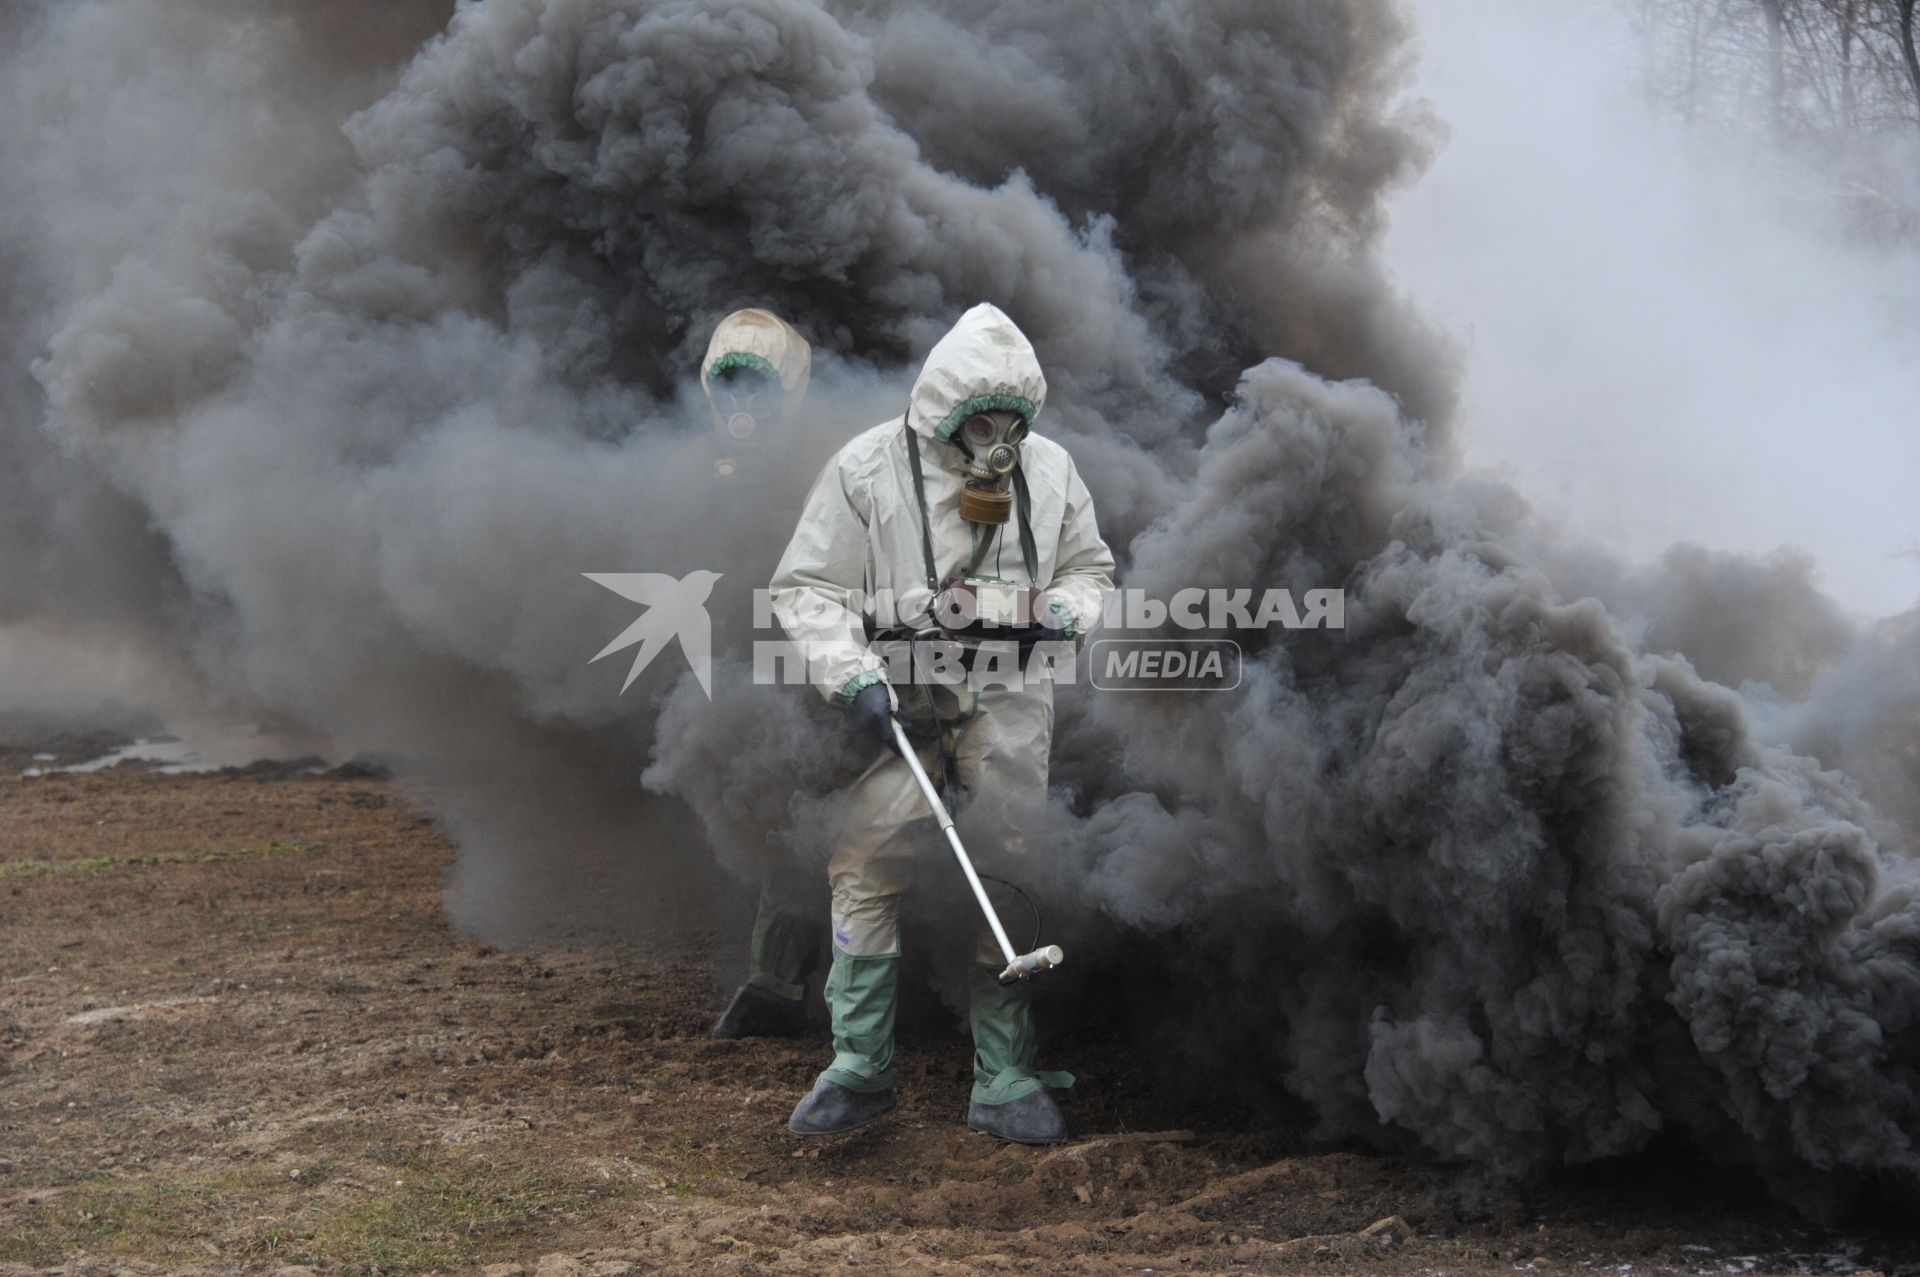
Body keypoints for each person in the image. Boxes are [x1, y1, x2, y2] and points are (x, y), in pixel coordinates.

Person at [768, 303, 1114, 1143]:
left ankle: (1004, 1074)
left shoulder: (1054, 471)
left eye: (1012, 423)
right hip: (901, 692)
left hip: (1010, 694)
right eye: (979, 423)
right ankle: (859, 1067)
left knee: (1009, 863)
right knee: (866, 857)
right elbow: (806, 588)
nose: (997, 441)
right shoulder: (867, 471)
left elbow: (1091, 570)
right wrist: (851, 676)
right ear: (941, 417)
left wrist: (1058, 616)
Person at [698, 308, 832, 1040]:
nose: (744, 405)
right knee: (778, 815)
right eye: (732, 386)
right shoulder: (690, 464)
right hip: (731, 663)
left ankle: (781, 981)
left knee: (813, 812)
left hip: (814, 661)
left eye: (760, 386)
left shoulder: (826, 463)